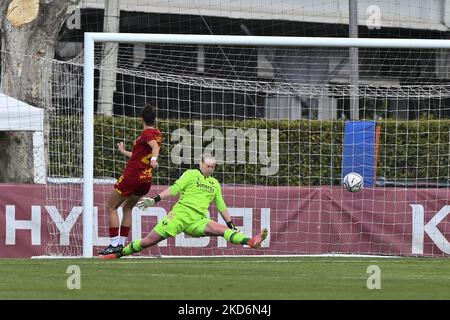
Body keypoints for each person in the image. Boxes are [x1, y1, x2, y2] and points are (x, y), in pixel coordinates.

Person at [100, 153, 268, 259]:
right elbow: (174, 189)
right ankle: (119, 254)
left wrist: (231, 224)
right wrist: (155, 200)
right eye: (208, 166)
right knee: (147, 242)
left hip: (198, 221)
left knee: (222, 230)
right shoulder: (190, 174)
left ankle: (251, 241)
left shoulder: (214, 183)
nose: (211, 169)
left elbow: (221, 206)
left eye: (213, 166)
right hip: (178, 217)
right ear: (201, 163)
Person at [98, 105, 161, 256]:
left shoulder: (147, 134)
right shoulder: (157, 133)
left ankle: (113, 244)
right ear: (155, 119)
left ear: (141, 119)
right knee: (127, 208)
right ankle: (121, 244)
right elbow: (139, 155)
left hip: (132, 177)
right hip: (145, 179)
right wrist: (123, 151)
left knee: (111, 207)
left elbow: (154, 147)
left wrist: (154, 158)